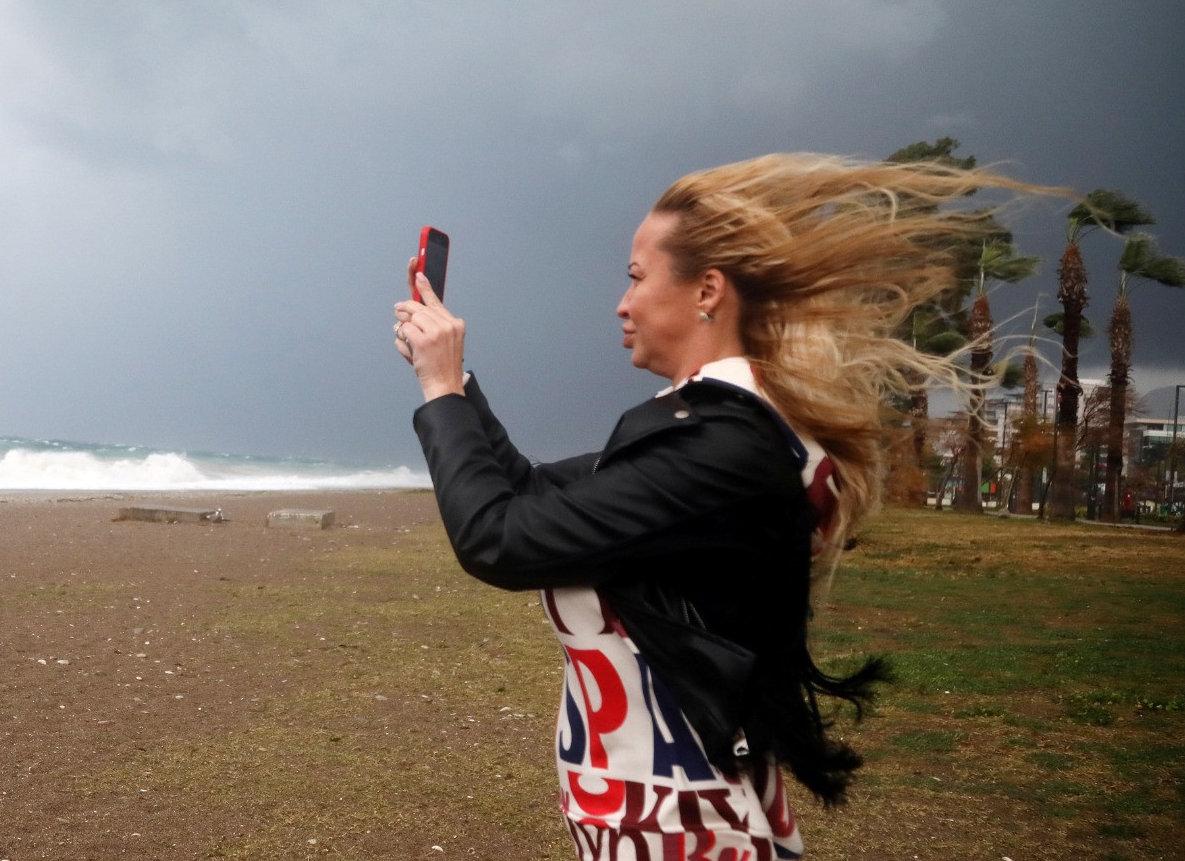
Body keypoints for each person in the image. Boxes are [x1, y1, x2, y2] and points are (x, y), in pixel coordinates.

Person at [394, 154, 1039, 859]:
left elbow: (498, 539)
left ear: (707, 290)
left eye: (637, 277)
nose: (622, 301)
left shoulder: (725, 448)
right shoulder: (726, 431)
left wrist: (443, 393)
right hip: (666, 817)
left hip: (684, 830)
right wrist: (453, 378)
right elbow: (527, 490)